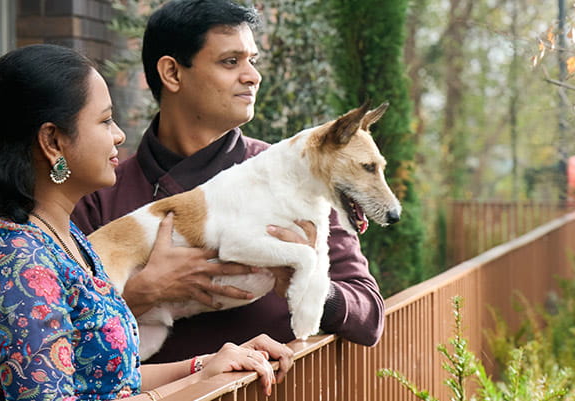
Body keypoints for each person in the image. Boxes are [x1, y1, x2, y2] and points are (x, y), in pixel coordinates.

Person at [0, 44, 294, 400]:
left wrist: (205, 366)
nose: (119, 135)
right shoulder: (18, 262)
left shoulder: (64, 238)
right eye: (104, 120)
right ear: (53, 141)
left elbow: (111, 381)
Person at [72, 0, 385, 364]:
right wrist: (145, 292)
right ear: (172, 73)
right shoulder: (100, 194)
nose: (253, 76)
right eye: (230, 62)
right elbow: (62, 332)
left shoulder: (299, 176)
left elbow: (370, 317)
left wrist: (309, 286)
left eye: (253, 60)